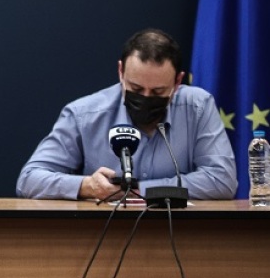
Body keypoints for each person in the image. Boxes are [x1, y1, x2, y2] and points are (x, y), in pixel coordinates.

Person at [16, 28, 237, 201]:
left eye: (158, 91)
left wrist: (140, 190)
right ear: (121, 72)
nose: (146, 97)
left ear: (178, 82)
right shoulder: (84, 114)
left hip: (181, 235)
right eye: (136, 88)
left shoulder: (197, 107)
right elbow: (29, 179)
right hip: (106, 234)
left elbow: (222, 180)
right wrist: (87, 186)